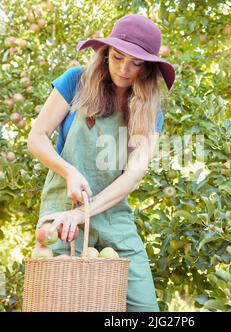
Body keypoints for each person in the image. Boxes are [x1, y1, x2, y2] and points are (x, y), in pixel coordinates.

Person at [27, 14, 175, 312]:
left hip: (113, 217)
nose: (124, 68)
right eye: (118, 57)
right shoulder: (75, 82)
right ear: (106, 52)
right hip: (62, 215)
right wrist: (68, 172)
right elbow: (37, 137)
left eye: (136, 63)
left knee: (145, 308)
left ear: (147, 68)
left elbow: (133, 176)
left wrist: (86, 213)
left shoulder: (150, 111)